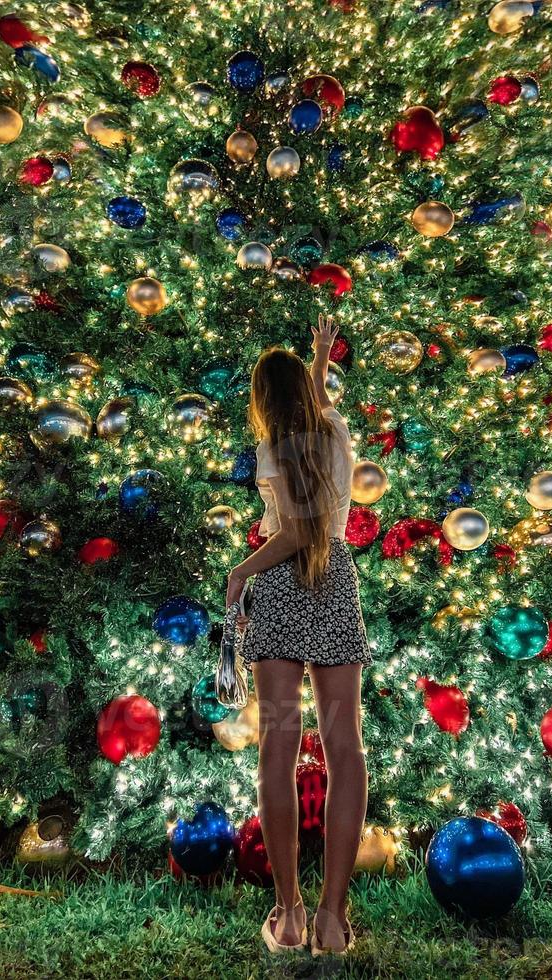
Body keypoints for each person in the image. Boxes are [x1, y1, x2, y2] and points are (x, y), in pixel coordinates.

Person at [225, 315, 371, 956]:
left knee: (278, 753)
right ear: (310, 396)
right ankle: (332, 920)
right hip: (334, 582)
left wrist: (241, 569)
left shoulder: (272, 449)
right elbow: (320, 515)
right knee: (345, 751)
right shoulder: (334, 433)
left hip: (285, 586)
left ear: (264, 402)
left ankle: (288, 915)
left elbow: (293, 531)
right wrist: (316, 363)